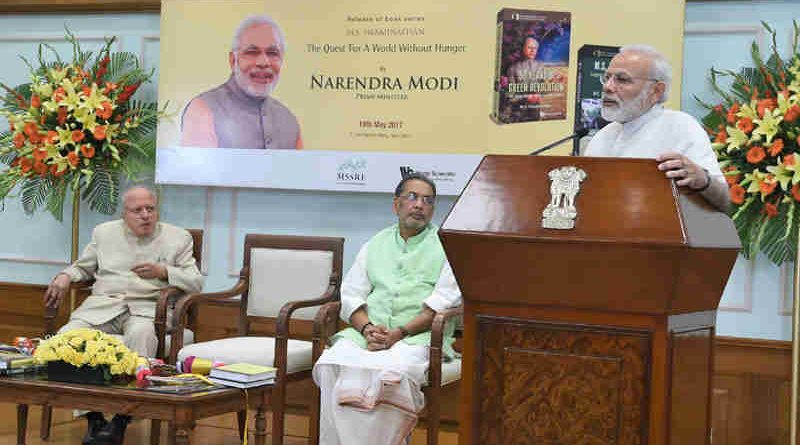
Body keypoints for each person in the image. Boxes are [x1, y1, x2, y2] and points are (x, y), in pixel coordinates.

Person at [43, 186, 204, 445]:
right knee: (68, 337)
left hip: (148, 309)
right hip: (102, 307)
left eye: (150, 209)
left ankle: (122, 418)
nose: (145, 215)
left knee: (142, 336)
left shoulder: (178, 237)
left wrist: (164, 271)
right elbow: (83, 268)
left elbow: (196, 282)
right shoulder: (104, 233)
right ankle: (93, 418)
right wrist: (64, 277)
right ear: (124, 214)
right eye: (137, 210)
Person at [312, 173, 462, 445]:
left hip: (417, 337)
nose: (419, 205)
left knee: (391, 375)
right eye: (412, 197)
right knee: (330, 364)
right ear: (396, 205)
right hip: (368, 334)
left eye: (427, 201)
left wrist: (399, 333)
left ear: (432, 210)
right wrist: (368, 329)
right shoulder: (376, 243)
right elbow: (351, 294)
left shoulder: (447, 246)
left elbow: (443, 301)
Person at [584, 44, 730, 212]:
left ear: (656, 90)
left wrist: (703, 180)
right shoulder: (602, 136)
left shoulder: (681, 127)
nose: (607, 87)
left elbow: (727, 202)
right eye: (607, 77)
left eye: (622, 79)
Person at [180, 14, 302, 149]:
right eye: (252, 52)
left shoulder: (289, 121)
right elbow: (199, 169)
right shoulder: (203, 109)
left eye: (272, 53)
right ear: (233, 60)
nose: (263, 62)